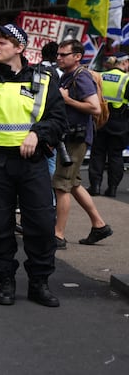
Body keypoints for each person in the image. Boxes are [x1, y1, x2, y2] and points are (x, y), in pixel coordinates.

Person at [0, 24, 67, 307]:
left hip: (32, 163)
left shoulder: (44, 79)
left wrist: (37, 133)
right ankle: (5, 280)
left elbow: (58, 120)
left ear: (19, 48)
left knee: (42, 225)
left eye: (3, 42)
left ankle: (39, 283)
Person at [52, 39, 113, 249]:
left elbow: (94, 108)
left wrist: (67, 100)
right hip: (69, 137)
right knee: (74, 183)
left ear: (77, 56)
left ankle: (58, 235)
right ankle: (99, 225)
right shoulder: (69, 76)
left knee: (61, 185)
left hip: (76, 139)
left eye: (63, 54)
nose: (59, 57)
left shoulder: (81, 77)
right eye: (58, 54)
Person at [88, 53, 129, 197]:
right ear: (125, 63)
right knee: (116, 155)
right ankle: (112, 189)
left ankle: (95, 186)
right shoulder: (127, 79)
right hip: (120, 122)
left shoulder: (101, 76)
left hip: (100, 119)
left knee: (97, 153)